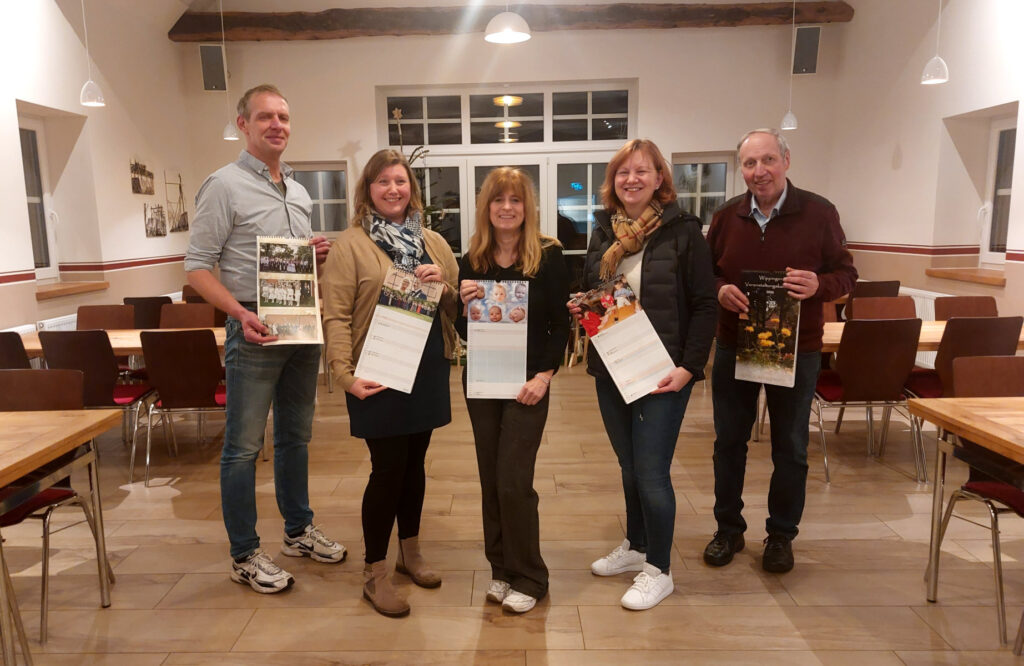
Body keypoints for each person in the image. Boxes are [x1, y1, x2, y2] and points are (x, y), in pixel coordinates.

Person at [184, 84, 345, 595]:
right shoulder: (223, 185)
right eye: (265, 117)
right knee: (243, 448)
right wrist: (237, 312)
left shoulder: (297, 191)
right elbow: (196, 267)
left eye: (283, 116)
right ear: (243, 124)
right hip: (251, 323)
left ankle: (297, 530)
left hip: (300, 322)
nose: (277, 125)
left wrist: (310, 255)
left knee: (296, 436)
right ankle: (245, 554)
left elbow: (287, 260)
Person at [569, 139, 717, 610]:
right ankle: (635, 548)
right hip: (612, 367)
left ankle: (660, 569)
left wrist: (689, 367)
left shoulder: (683, 231)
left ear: (659, 180)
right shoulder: (601, 231)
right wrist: (581, 304)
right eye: (622, 173)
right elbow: (592, 288)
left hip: (662, 374)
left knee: (652, 473)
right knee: (629, 467)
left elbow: (705, 304)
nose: (631, 180)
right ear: (613, 182)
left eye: (641, 171)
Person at [703, 128, 857, 574]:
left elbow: (847, 274)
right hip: (735, 343)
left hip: (797, 349)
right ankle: (728, 530)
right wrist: (720, 289)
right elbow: (705, 274)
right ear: (741, 169)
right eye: (750, 164)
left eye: (768, 160)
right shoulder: (727, 216)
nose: (759, 172)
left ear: (786, 161)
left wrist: (819, 285)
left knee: (789, 448)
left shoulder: (819, 212)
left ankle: (780, 535)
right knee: (729, 442)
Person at [321, 149, 459, 617]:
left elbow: (456, 308)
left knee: (415, 464)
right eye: (383, 182)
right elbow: (336, 316)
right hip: (377, 372)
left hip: (426, 369)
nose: (393, 189)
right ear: (368, 190)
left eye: (400, 181)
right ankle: (374, 573)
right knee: (387, 471)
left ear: (411, 188)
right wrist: (344, 374)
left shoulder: (434, 242)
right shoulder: (350, 245)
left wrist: (446, 284)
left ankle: (410, 553)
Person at [456, 167, 569, 614]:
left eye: (515, 200)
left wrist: (545, 376)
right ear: (487, 207)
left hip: (528, 384)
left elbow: (560, 324)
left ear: (527, 207)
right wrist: (459, 303)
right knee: (491, 480)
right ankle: (501, 569)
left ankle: (531, 576)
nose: (507, 208)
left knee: (514, 481)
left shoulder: (548, 254)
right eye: (498, 200)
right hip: (482, 382)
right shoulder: (474, 257)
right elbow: (467, 328)